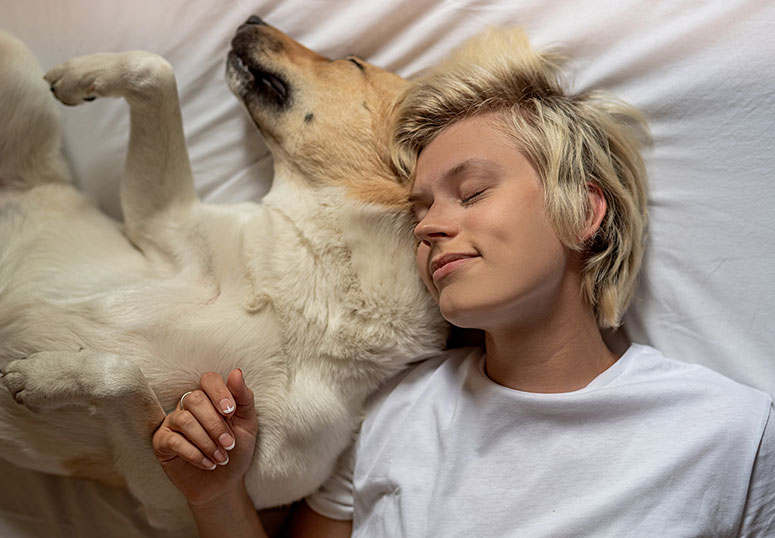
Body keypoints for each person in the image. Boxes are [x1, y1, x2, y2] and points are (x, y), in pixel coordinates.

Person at [151, 27, 774, 537]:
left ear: (583, 211)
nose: (429, 228)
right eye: (418, 211)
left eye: (471, 193)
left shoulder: (734, 439)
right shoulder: (388, 411)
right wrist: (219, 496)